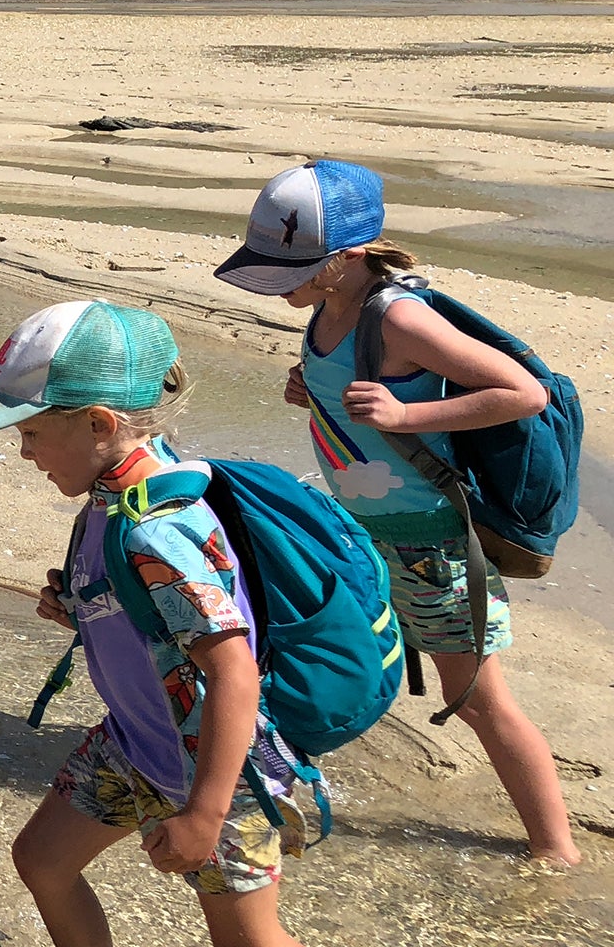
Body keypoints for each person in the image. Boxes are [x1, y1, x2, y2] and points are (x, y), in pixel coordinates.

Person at [0, 301, 447, 947]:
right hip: (135, 742)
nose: (23, 451)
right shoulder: (118, 493)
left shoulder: (159, 529)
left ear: (100, 423)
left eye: (31, 432)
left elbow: (233, 672)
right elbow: (157, 618)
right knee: (43, 860)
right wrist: (82, 606)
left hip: (218, 769)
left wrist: (206, 814)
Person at [215, 160, 580, 864]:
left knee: (479, 700)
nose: (278, 284)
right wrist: (313, 388)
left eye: (290, 269)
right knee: (314, 650)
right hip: (363, 532)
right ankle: (264, 780)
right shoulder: (328, 309)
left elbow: (523, 394)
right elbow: (354, 393)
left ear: (348, 257)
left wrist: (407, 414)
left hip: (432, 543)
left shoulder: (400, 317)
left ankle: (555, 850)